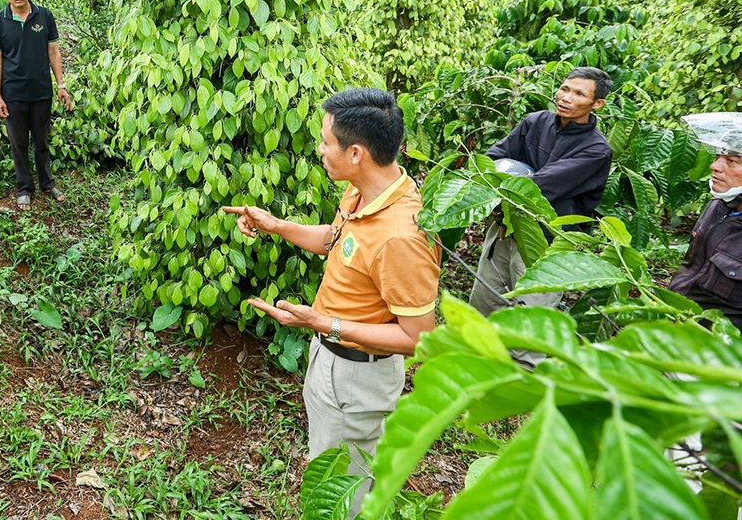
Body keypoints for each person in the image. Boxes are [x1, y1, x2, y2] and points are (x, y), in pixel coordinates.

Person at [224, 88, 440, 511]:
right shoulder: (369, 191)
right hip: (334, 356)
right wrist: (276, 225)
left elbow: (419, 339)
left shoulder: (400, 238)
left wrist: (323, 324)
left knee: (340, 486)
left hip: (356, 374)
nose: (320, 150)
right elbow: (335, 239)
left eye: (325, 142)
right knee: (340, 460)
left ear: (356, 153)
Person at [468, 67, 614, 324]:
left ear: (597, 104)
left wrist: (496, 192)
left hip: (547, 241)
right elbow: (493, 158)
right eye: (564, 89)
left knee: (530, 318)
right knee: (484, 301)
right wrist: (486, 182)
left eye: (579, 94)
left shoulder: (596, 150)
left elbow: (539, 187)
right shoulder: (535, 122)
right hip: (506, 227)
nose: (566, 98)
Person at [0, 0, 73, 209]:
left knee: (41, 140)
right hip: (13, 94)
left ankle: (47, 183)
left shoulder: (44, 16)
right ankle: (24, 188)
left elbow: (53, 52)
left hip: (41, 91)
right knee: (19, 144)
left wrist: (61, 85)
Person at [669, 113, 742, 331]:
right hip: (681, 325)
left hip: (717, 345)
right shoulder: (718, 206)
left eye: (732, 161)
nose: (714, 166)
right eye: (718, 156)